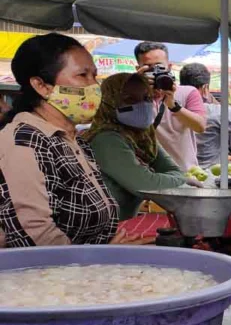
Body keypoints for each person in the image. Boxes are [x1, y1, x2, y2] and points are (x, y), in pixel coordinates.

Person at [0, 33, 118, 247]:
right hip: (56, 276)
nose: (94, 86)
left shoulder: (74, 141)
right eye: (82, 75)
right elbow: (34, 236)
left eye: (94, 75)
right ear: (42, 86)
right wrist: (99, 258)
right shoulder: (24, 143)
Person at [85, 73, 186, 220]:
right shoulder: (105, 139)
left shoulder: (143, 137)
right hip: (99, 236)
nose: (141, 104)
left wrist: (172, 178)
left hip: (121, 230)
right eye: (129, 100)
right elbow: (147, 185)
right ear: (109, 102)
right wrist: (180, 180)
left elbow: (174, 171)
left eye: (147, 98)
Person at [133, 42, 206, 170]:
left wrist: (173, 105)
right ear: (138, 69)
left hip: (184, 174)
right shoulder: (131, 96)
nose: (155, 73)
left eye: (159, 67)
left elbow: (200, 126)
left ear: (169, 67)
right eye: (148, 68)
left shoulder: (188, 92)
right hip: (145, 175)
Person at [179, 63, 231, 168]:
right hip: (209, 175)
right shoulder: (215, 112)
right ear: (205, 88)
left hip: (176, 174)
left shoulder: (169, 108)